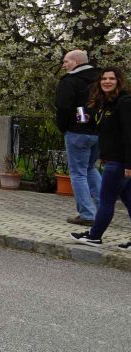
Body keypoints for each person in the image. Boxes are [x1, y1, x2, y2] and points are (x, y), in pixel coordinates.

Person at [71, 67, 131, 250]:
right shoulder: (107, 105)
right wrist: (84, 117)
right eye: (104, 78)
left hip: (119, 161)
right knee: (129, 201)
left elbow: (129, 135)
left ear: (119, 81)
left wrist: (129, 164)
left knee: (106, 200)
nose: (107, 81)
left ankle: (95, 236)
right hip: (114, 160)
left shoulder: (125, 103)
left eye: (111, 78)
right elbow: (102, 128)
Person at [56, 50, 101, 226]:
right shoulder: (101, 78)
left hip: (77, 132)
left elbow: (63, 107)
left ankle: (87, 214)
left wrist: (63, 127)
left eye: (66, 61)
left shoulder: (70, 81)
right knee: (90, 169)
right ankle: (104, 209)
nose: (63, 65)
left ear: (76, 62)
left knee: (78, 173)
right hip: (98, 131)